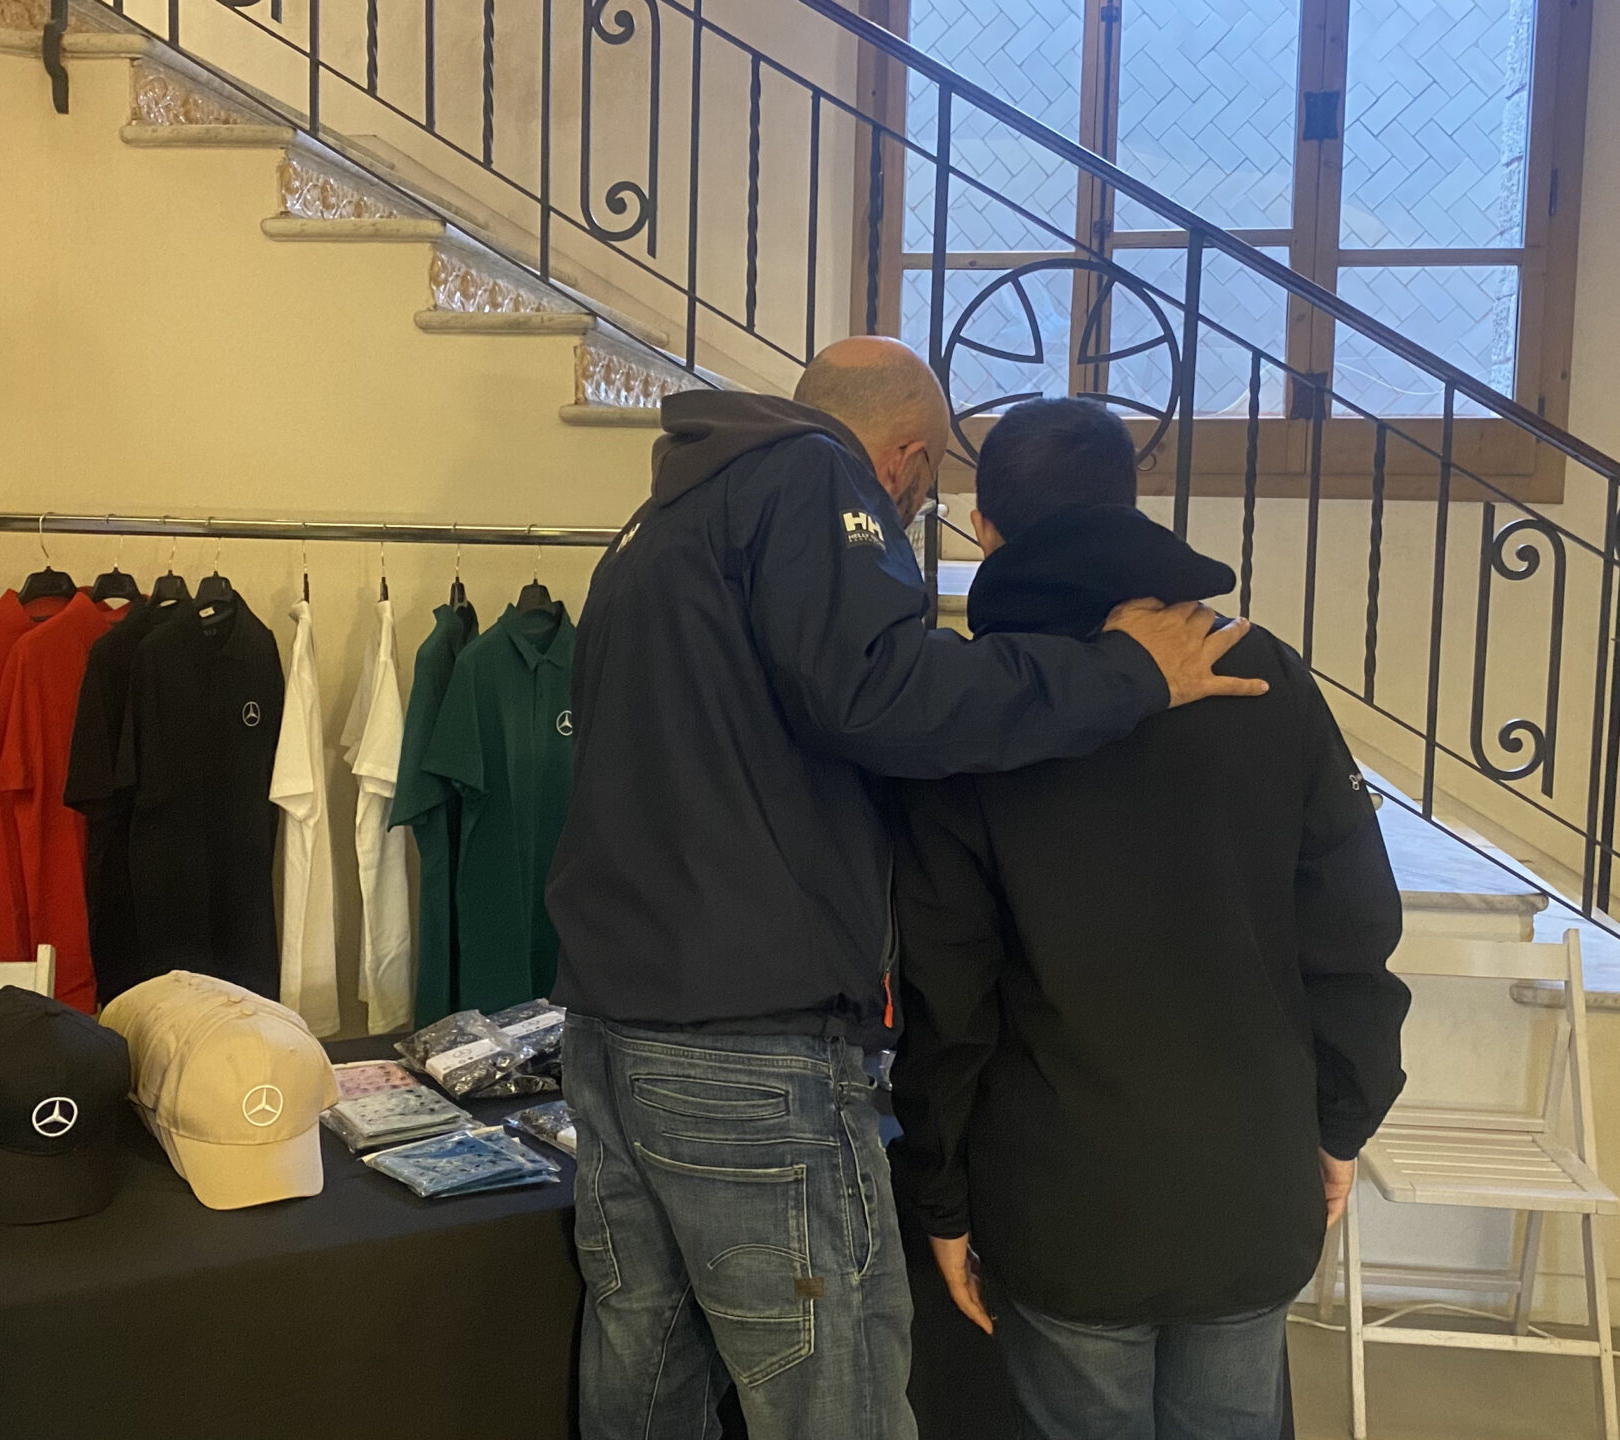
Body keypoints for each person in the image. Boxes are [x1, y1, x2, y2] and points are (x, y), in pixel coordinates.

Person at [546, 338, 1266, 1440]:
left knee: (646, 1369)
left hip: (615, 1020)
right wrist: (1122, 672)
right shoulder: (811, 476)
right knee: (831, 1389)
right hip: (745, 1038)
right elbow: (882, 693)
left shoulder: (668, 519)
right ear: (908, 461)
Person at [887, 397, 1412, 1440]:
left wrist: (938, 1193)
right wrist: (1341, 1117)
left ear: (985, 529)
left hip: (1062, 1197)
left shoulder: (976, 705)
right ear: (1130, 505)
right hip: (1248, 1176)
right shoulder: (1262, 670)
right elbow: (1352, 920)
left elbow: (950, 985)